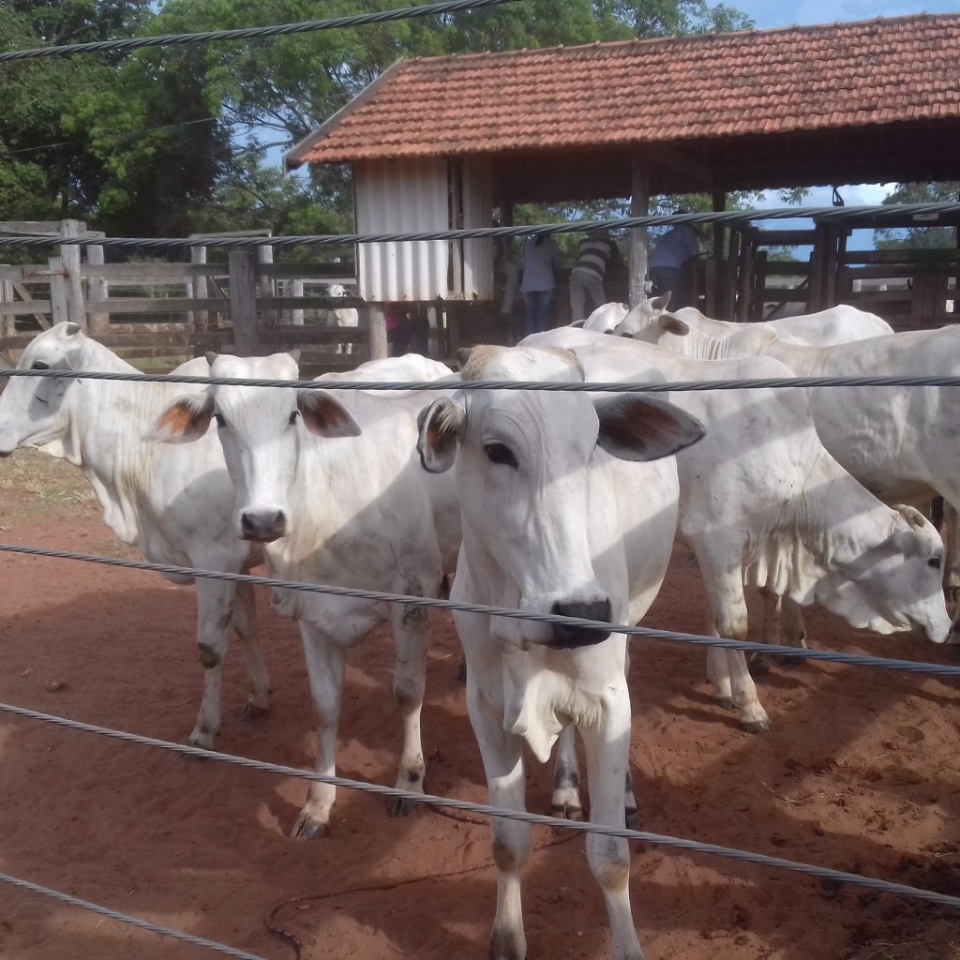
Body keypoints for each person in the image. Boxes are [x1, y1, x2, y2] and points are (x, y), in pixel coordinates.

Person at [648, 215, 701, 308]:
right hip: (670, 269)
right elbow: (695, 256)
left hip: (654, 267)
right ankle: (666, 320)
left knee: (656, 300)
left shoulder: (668, 235)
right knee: (668, 301)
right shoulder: (688, 232)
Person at [568, 230, 619, 323]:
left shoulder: (583, 242)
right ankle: (602, 330)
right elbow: (616, 262)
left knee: (577, 308)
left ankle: (576, 332)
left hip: (576, 273)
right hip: (593, 273)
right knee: (602, 307)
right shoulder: (609, 243)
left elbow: (578, 258)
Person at [520, 233, 563, 336]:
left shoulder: (528, 243)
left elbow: (525, 262)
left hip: (527, 284)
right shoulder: (552, 244)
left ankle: (528, 343)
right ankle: (541, 345)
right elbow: (557, 264)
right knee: (542, 316)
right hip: (545, 284)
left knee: (530, 315)